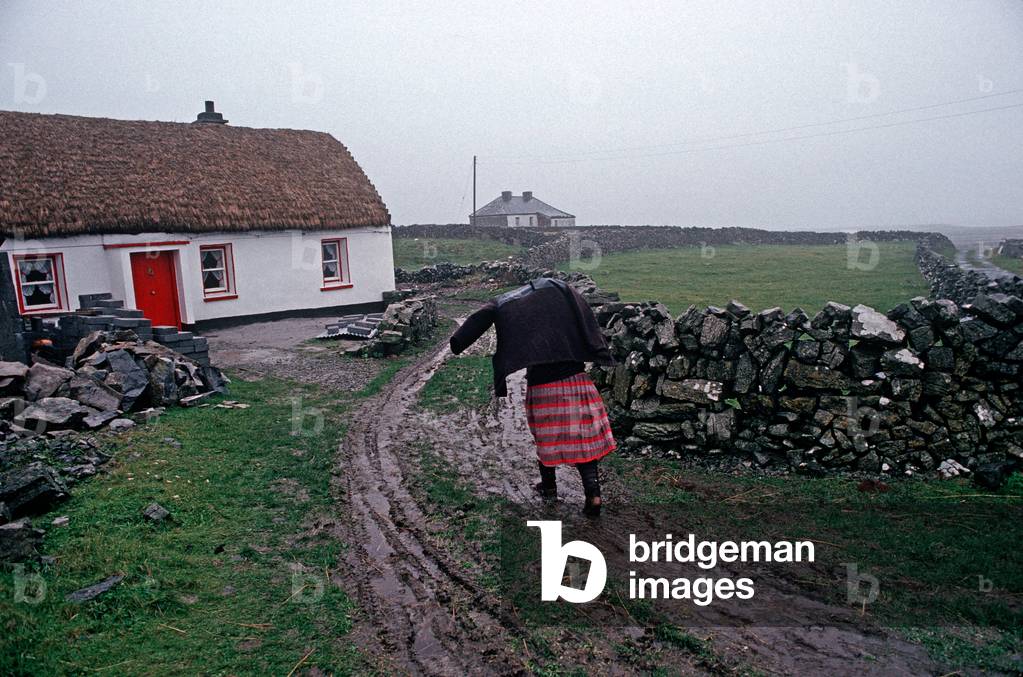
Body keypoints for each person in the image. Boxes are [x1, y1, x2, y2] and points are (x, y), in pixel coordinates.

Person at [449, 278, 616, 517]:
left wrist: (458, 342)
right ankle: (594, 494)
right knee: (583, 439)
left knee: (546, 438)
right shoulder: (562, 292)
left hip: (544, 386)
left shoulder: (513, 302)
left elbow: (486, 313)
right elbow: (585, 314)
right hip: (577, 381)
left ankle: (549, 487)